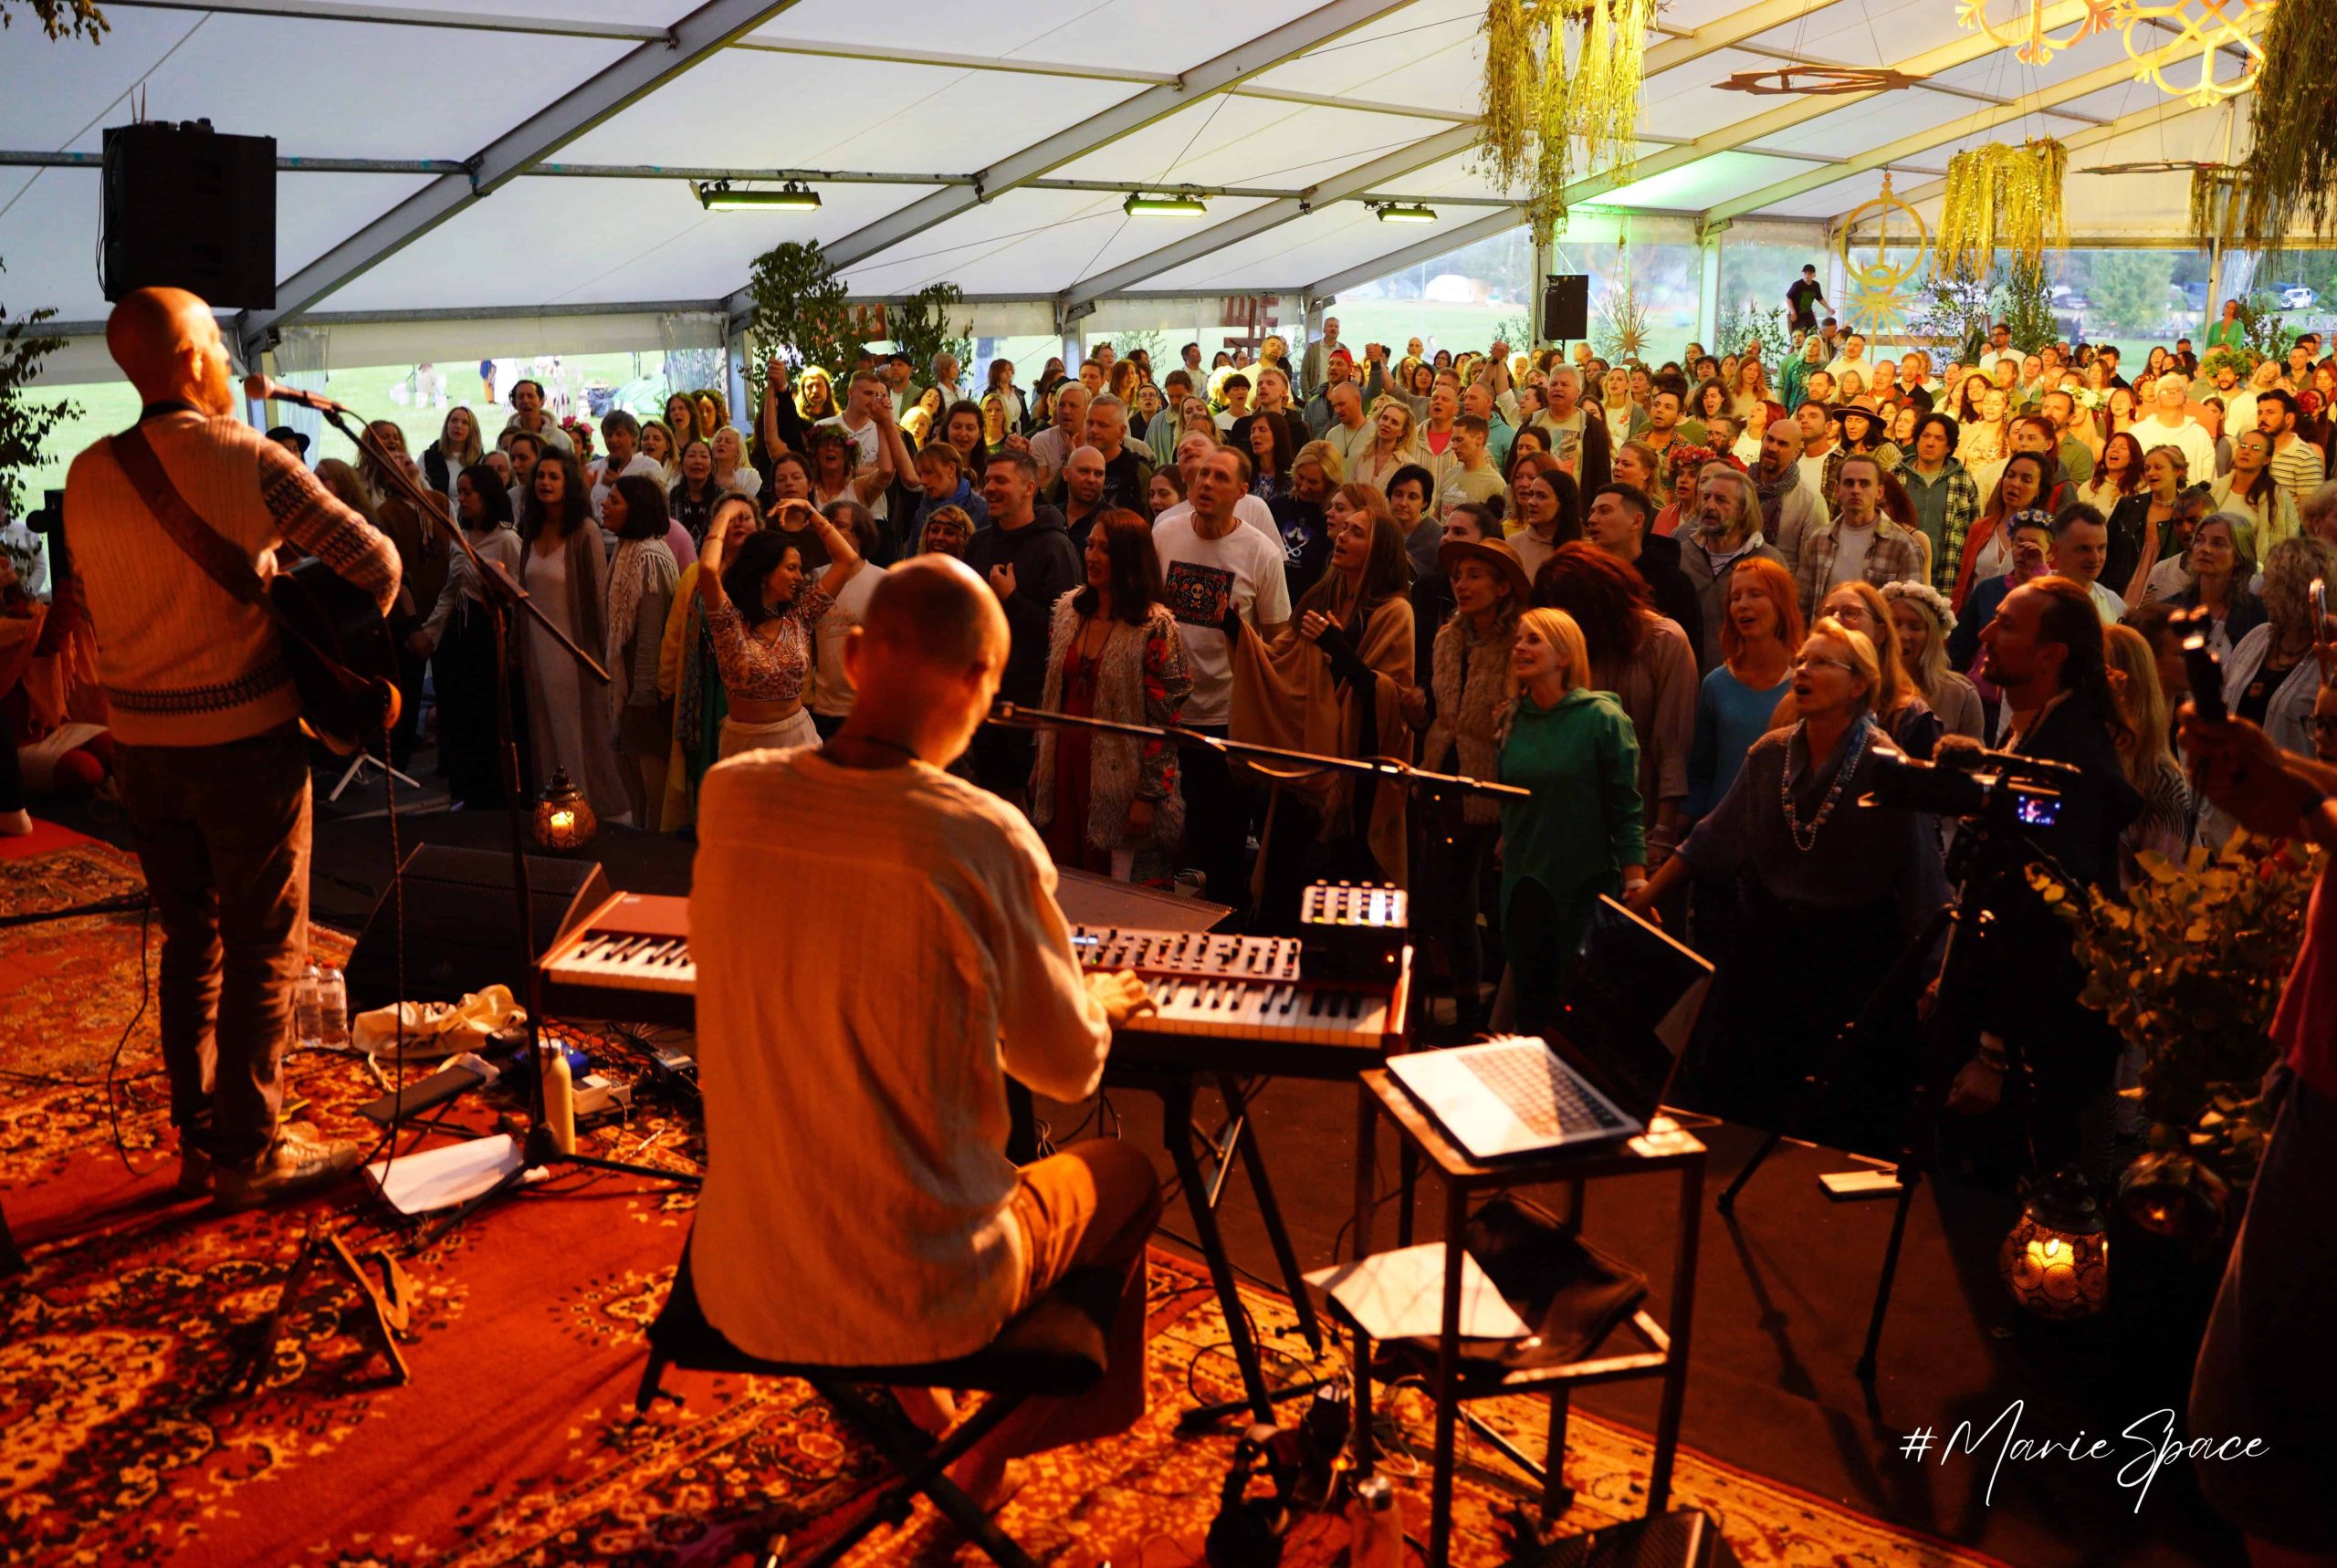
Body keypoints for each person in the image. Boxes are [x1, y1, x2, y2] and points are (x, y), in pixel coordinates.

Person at [688, 554, 1161, 1512]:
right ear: (986, 689)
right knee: (1128, 1173)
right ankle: (978, 1459)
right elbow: (1065, 1068)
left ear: (854, 656)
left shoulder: (730, 795)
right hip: (930, 1285)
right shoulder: (978, 832)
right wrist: (1097, 1000)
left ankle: (932, 1420)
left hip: (738, 1272)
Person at [62, 287, 400, 1204]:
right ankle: (251, 1153)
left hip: (141, 748)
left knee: (190, 939)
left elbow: (96, 602)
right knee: (263, 947)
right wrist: (284, 589)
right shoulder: (247, 458)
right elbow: (378, 563)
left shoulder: (88, 473)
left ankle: (199, 1137)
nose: (220, 353)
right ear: (190, 359)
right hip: (243, 743)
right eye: (213, 339)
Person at [1630, 618, 1947, 1145]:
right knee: (1744, 1105)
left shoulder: (1889, 767)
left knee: (1828, 1120)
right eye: (1802, 661)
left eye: (1821, 662)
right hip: (1768, 951)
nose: (1803, 670)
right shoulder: (1770, 753)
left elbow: (1924, 884)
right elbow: (1711, 840)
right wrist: (1647, 898)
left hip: (1851, 962)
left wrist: (1938, 975)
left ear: (1859, 684)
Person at [1948, 578, 2144, 1183]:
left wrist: (1992, 1051)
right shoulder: (2035, 728)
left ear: (2051, 654)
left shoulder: (2070, 758)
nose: (1983, 633)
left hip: (2041, 1042)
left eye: (2006, 625)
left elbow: (2044, 916)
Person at [1232, 485, 1414, 925]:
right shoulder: (1321, 597)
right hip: (1305, 766)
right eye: (1343, 530)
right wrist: (1232, 626)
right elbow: (1282, 662)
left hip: (1351, 781)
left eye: (1356, 532)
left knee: (1332, 897)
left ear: (1379, 549)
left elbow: (1390, 697)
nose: (1341, 537)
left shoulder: (1394, 613)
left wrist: (1339, 647)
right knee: (1283, 888)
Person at [1496, 607, 1646, 1032]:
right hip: (1523, 885)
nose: (1520, 647)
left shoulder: (1601, 719)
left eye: (1534, 639)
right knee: (1530, 1013)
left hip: (1584, 885)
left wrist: (1636, 882)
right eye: (1518, 639)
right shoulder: (1511, 718)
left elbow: (1626, 808)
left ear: (1564, 655)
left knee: (1578, 1020)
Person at [1409, 532, 1530, 1033]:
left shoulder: (1520, 640)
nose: (1461, 584)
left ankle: (1501, 1013)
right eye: (1458, 575)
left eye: (1475, 575)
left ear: (1503, 587)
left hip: (1496, 785)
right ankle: (1462, 1008)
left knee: (1500, 906)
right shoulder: (1448, 636)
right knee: (1446, 897)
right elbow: (1440, 710)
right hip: (1444, 775)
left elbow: (1522, 722)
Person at [1030, 509, 1193, 877]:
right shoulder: (1070, 611)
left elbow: (1166, 723)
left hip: (1119, 776)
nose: (1091, 556)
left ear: (1128, 558)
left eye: (1104, 548)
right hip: (1065, 765)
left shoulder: (1155, 626)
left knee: (1110, 887)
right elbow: (1052, 692)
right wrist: (1042, 760)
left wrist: (1148, 797)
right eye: (1090, 545)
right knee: (1063, 879)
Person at [1532, 541, 1696, 873]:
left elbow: (1674, 746)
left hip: (1642, 804)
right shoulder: (1582, 644)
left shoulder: (1666, 641)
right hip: (1579, 808)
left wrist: (1663, 829)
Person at [693, 497, 863, 758]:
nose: (798, 577)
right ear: (764, 573)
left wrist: (810, 512)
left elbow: (848, 560)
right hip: (745, 747)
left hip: (798, 740)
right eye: (791, 568)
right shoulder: (729, 621)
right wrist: (725, 514)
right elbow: (707, 569)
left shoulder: (799, 616)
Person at [962, 450, 1083, 806]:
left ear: (1030, 487)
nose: (990, 489)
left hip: (1028, 705)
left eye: (1001, 481)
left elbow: (1065, 635)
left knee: (1017, 806)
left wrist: (1011, 598)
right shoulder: (979, 542)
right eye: (987, 481)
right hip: (981, 696)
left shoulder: (1055, 548)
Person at [520, 450, 634, 818]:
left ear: (568, 483)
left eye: (554, 476)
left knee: (578, 733)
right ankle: (556, 811)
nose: (545, 483)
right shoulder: (530, 531)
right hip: (536, 650)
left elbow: (598, 600)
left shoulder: (584, 533)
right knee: (545, 731)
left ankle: (589, 810)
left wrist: (604, 661)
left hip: (575, 651)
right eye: (541, 476)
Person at [408, 464, 523, 810]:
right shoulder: (461, 538)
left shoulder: (506, 540)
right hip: (458, 637)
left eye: (470, 490)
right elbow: (450, 591)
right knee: (458, 715)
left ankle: (492, 793)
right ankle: (465, 791)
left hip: (488, 634)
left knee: (487, 715)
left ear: (488, 496)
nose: (463, 497)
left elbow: (519, 597)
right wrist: (430, 634)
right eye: (460, 490)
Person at [601, 474, 682, 828]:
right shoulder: (627, 549)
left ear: (637, 509)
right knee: (637, 791)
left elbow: (651, 635)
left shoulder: (648, 556)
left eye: (614, 500)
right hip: (631, 688)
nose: (604, 504)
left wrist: (642, 699)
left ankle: (654, 865)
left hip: (646, 697)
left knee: (652, 794)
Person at [1678, 462, 1788, 677]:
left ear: (1742, 511)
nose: (1709, 506)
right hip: (1684, 676)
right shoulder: (1682, 554)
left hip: (1744, 681)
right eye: (1706, 497)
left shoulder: (1768, 562)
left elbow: (1786, 629)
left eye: (1721, 500)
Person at [1583, 482, 1704, 669]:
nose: (1592, 519)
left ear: (1636, 521)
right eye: (1592, 512)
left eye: (1604, 511)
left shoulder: (1673, 583)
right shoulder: (1585, 577)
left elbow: (1688, 658)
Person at [1793, 455, 1926, 621]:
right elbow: (1801, 607)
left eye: (1864, 484)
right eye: (1849, 483)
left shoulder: (1904, 547)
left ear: (1879, 492)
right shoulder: (1818, 541)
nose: (1856, 490)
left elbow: (1910, 616)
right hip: (1826, 639)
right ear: (1837, 490)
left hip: (1874, 645)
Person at [802, 501, 887, 740]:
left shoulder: (883, 582)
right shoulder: (815, 578)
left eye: (840, 526)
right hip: (822, 709)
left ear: (860, 534)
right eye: (827, 525)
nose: (831, 532)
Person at [1950, 451, 2054, 612]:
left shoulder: (2046, 536)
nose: (2014, 484)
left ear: (2039, 490)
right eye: (2010, 475)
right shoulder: (1980, 528)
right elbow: (1962, 585)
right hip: (1975, 623)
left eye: (2026, 480)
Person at [1882, 580, 1984, 742]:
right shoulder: (1862, 685)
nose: (1902, 635)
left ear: (1932, 636)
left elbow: (1972, 764)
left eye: (1915, 627)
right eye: (1895, 624)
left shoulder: (1961, 695)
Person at [1895, 413, 1980, 594]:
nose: (1930, 443)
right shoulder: (1896, 476)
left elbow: (1974, 535)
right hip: (1897, 575)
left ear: (1949, 446)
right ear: (1917, 439)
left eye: (1939, 438)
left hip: (1945, 579)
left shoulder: (1964, 482)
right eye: (1925, 436)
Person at [2214, 427, 2302, 549]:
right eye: (2243, 446)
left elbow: (2290, 539)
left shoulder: (2278, 497)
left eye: (2255, 449)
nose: (2246, 452)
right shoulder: (2216, 489)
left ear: (2267, 459)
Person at [422, 405, 484, 498]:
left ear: (472, 429)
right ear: (447, 425)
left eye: (465, 423)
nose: (458, 426)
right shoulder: (427, 457)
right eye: (454, 420)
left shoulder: (481, 460)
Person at [1786, 264, 1829, 338]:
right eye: (1805, 273)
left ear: (1814, 275)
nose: (1807, 275)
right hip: (1797, 314)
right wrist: (1793, 312)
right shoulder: (1797, 285)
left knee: (1815, 333)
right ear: (1802, 274)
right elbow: (1788, 298)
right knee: (1798, 335)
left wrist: (1829, 308)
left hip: (1808, 313)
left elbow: (1820, 298)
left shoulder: (1816, 285)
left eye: (1809, 273)